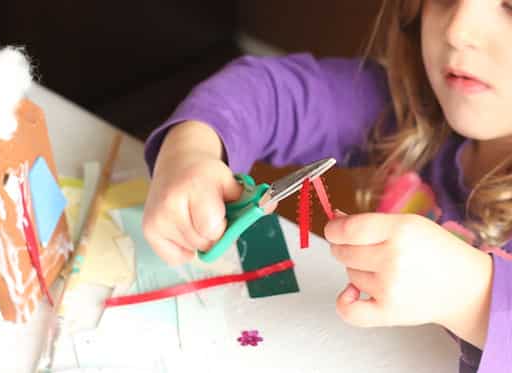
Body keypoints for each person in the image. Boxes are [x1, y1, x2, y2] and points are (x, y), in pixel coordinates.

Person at [141, 1, 512, 371]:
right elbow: (269, 94)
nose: (456, 30)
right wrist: (192, 149)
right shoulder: (408, 106)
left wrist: (474, 299)